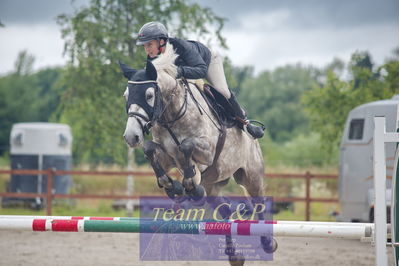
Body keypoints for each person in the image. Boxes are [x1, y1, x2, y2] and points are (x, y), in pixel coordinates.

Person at [136, 21, 264, 139]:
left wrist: (178, 71)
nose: (147, 49)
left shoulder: (182, 47)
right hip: (184, 73)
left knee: (223, 91)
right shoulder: (152, 58)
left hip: (207, 63)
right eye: (144, 46)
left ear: (161, 41)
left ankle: (245, 123)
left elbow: (201, 70)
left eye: (149, 44)